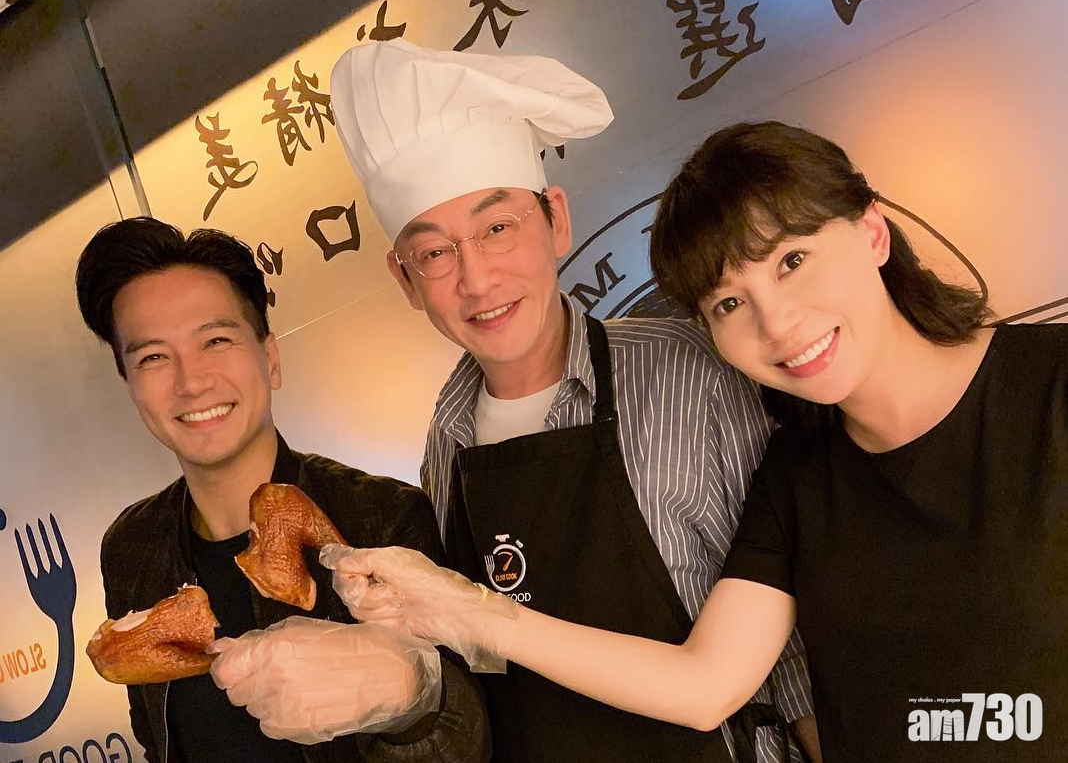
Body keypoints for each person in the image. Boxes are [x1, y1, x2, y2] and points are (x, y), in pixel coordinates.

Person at [325, 121, 1068, 762]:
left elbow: (784, 687)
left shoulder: (1050, 385)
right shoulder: (797, 473)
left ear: (873, 231)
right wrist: (454, 611)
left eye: (793, 261)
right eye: (730, 302)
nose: (777, 323)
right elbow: (706, 681)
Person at [316, 40, 817, 763]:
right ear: (405, 280)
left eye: (497, 228)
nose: (477, 280)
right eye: (435, 253)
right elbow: (488, 678)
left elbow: (797, 640)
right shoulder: (446, 440)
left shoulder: (688, 370)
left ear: (555, 218)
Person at [75, 218, 490, 763]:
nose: (191, 381)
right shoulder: (131, 547)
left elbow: (466, 738)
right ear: (132, 388)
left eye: (216, 341)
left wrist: (410, 696)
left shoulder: (383, 516)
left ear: (270, 357)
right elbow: (158, 740)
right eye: (152, 357)